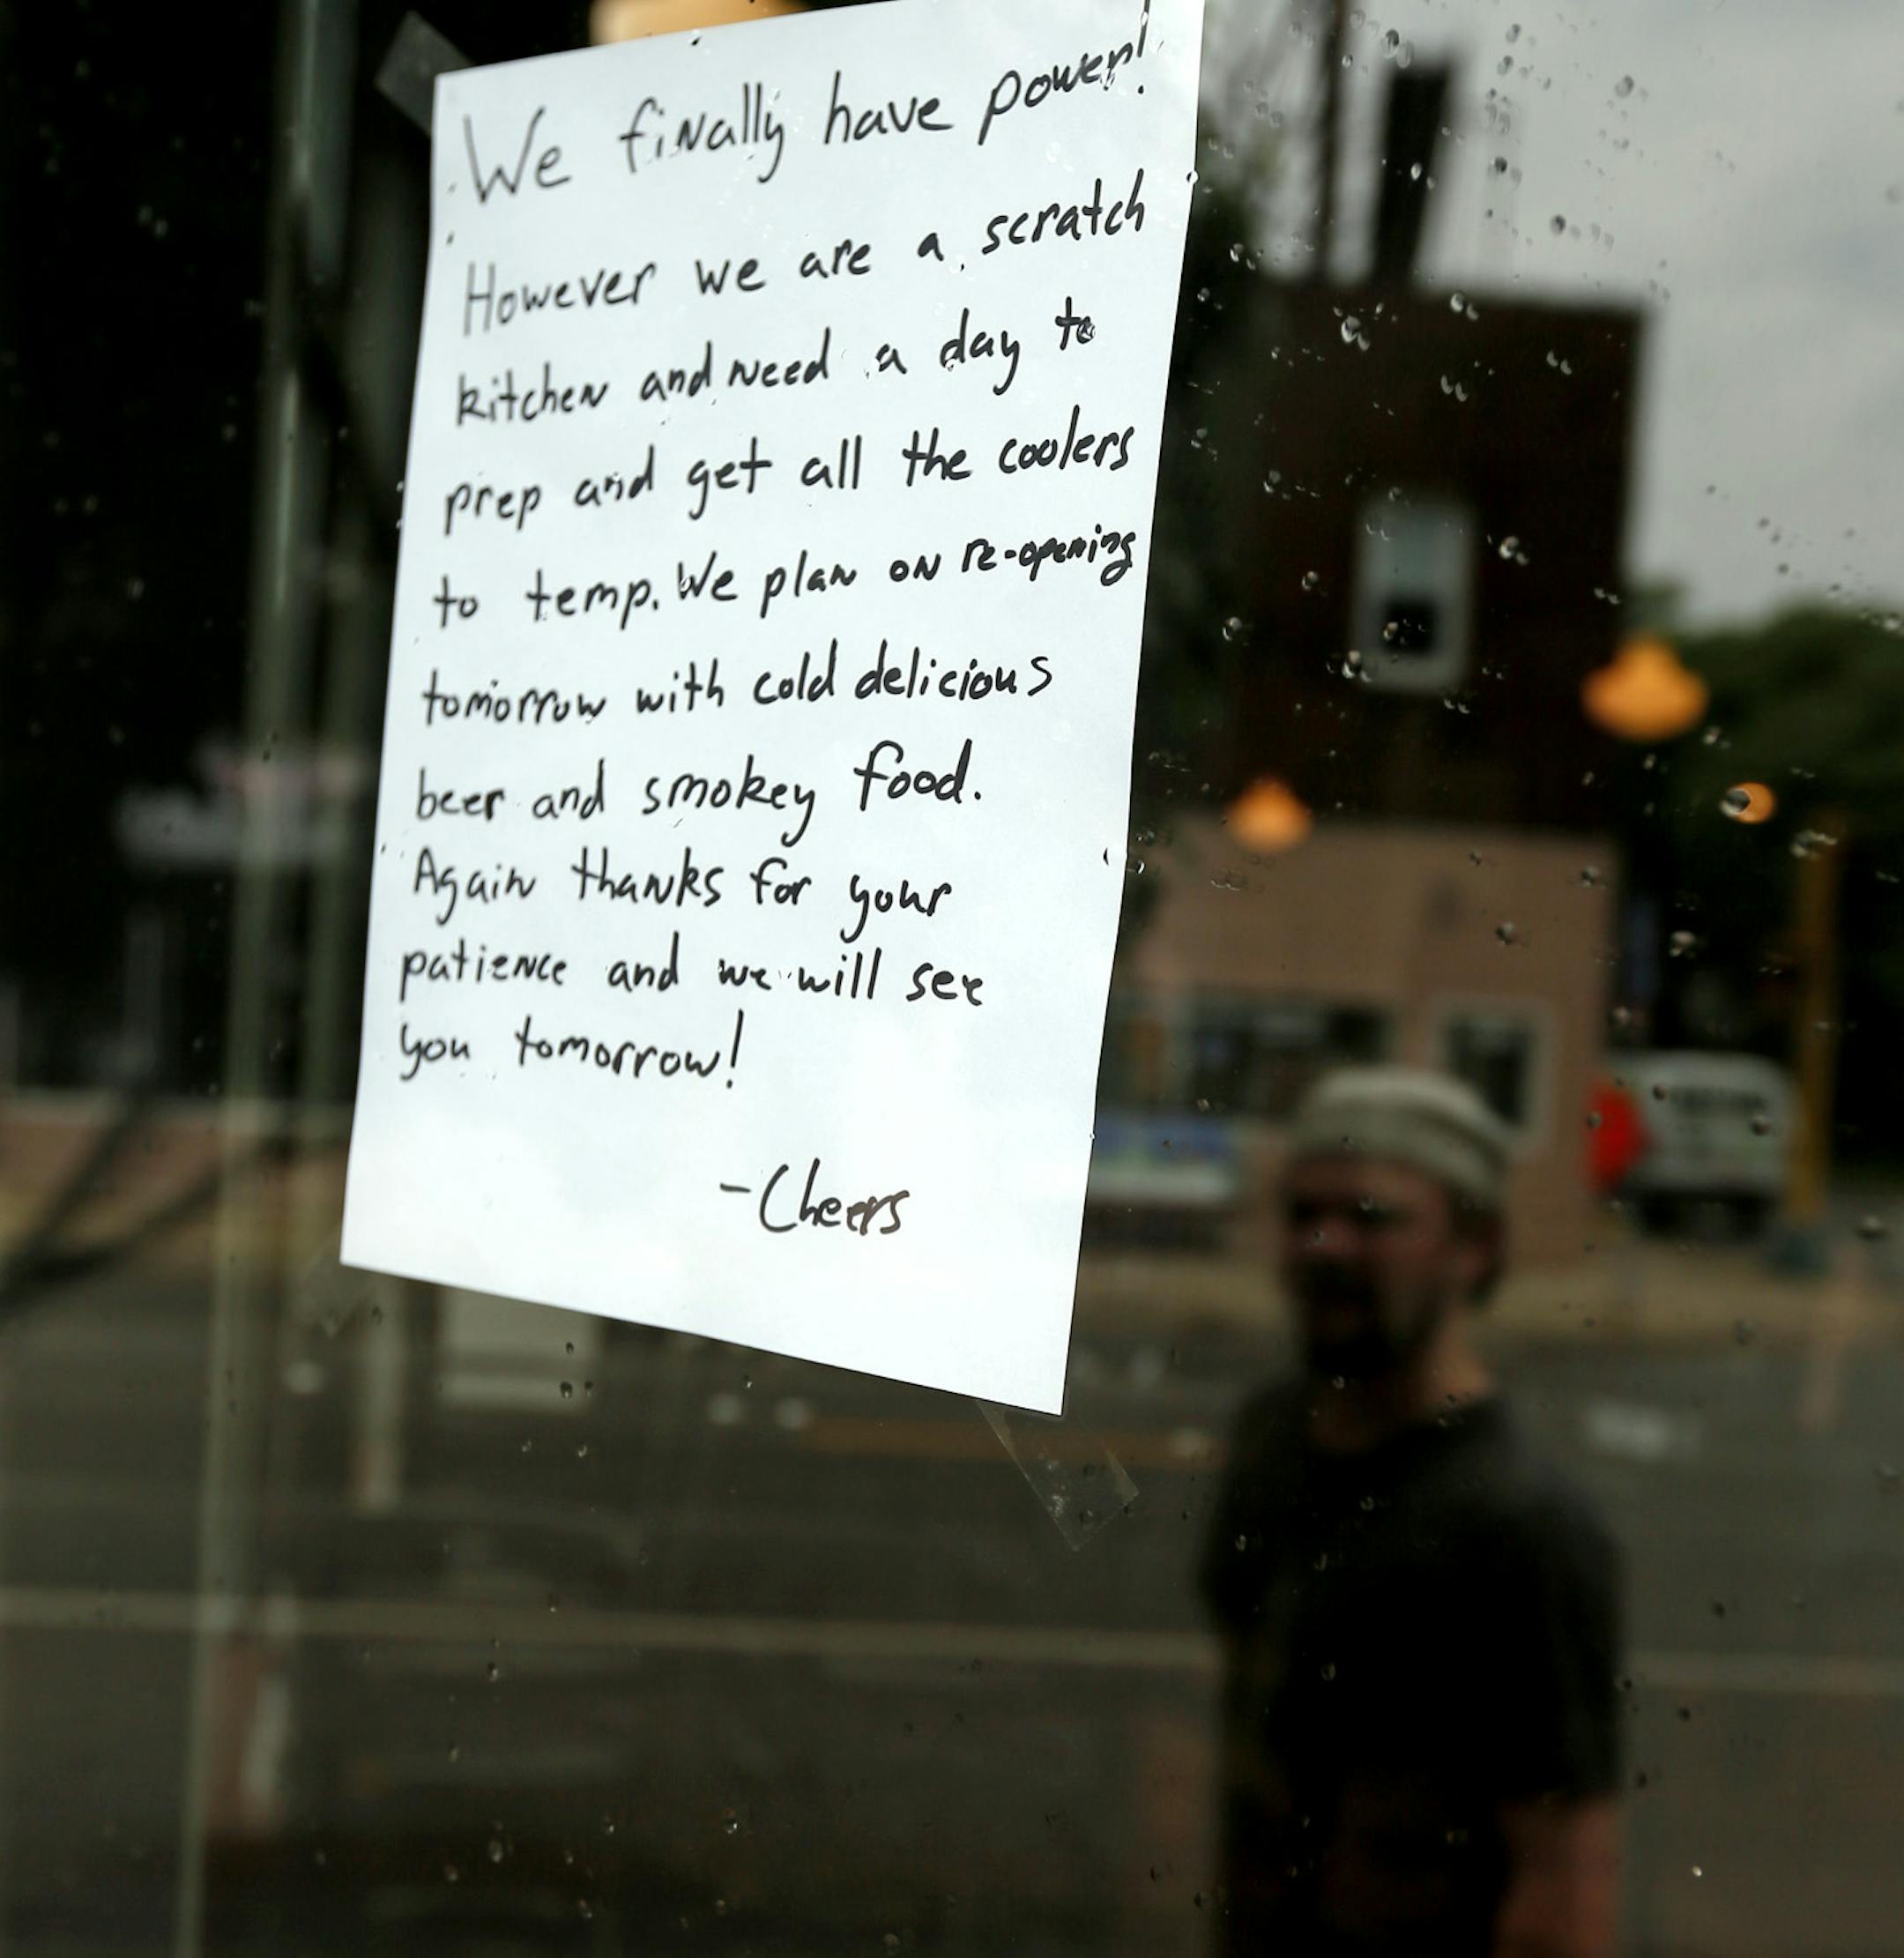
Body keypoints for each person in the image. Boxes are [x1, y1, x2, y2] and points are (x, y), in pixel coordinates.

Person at [1200, 1067, 1624, 1958]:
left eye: (1371, 1217)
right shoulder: (1270, 1438)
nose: (1325, 1245)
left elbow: (1560, 1884)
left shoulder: (1521, 1526)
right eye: (1303, 1214)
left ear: (1473, 1245)